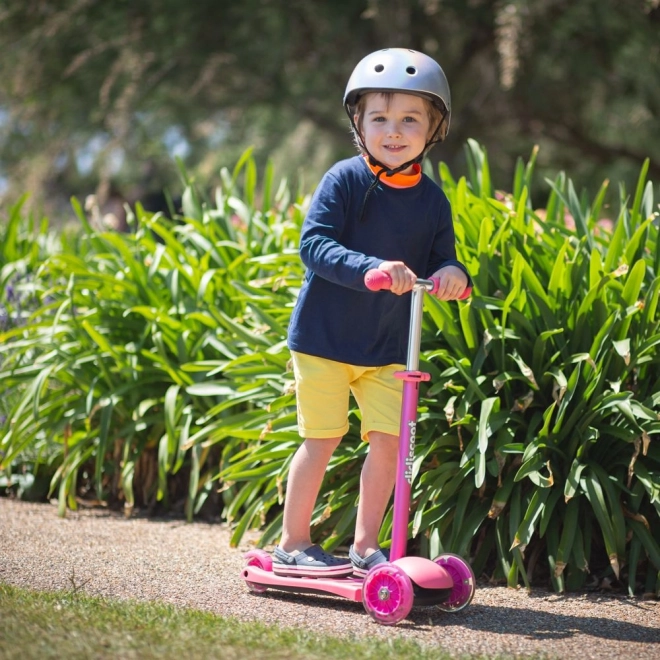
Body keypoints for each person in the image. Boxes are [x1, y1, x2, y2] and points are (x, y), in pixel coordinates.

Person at [273, 48, 471, 578]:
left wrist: (453, 273)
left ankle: (366, 549)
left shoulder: (432, 200)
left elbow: (441, 256)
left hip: (387, 347)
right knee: (323, 439)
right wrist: (369, 268)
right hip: (324, 339)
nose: (393, 131)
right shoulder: (343, 180)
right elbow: (314, 245)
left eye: (410, 119)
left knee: (388, 444)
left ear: (434, 129)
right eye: (379, 118)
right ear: (358, 123)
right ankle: (292, 542)